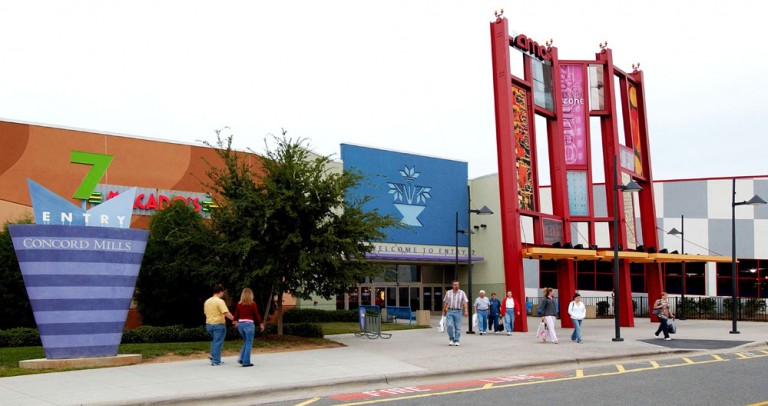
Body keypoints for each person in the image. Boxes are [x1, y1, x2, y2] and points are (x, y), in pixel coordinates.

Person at [204, 284, 236, 366]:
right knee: (218, 342)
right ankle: (216, 361)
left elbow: (205, 313)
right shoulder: (220, 301)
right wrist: (234, 319)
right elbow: (226, 312)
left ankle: (213, 355)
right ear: (220, 292)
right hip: (218, 324)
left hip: (209, 324)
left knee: (215, 340)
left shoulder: (207, 301)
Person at [232, 288, 265, 367]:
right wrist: (261, 324)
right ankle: (246, 362)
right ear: (251, 295)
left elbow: (236, 314)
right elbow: (257, 314)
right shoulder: (253, 304)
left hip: (241, 325)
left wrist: (234, 321)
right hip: (249, 325)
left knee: (246, 341)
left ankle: (241, 358)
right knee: (249, 343)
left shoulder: (239, 304)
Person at [442, 280, 468, 346]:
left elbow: (465, 302)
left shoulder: (462, 293)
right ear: (452, 285)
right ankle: (451, 339)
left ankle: (457, 340)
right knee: (449, 325)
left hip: (458, 311)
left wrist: (466, 310)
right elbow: (445, 302)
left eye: (457, 284)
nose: (456, 286)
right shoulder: (448, 293)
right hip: (450, 311)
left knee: (458, 327)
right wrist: (443, 311)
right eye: (455, 284)